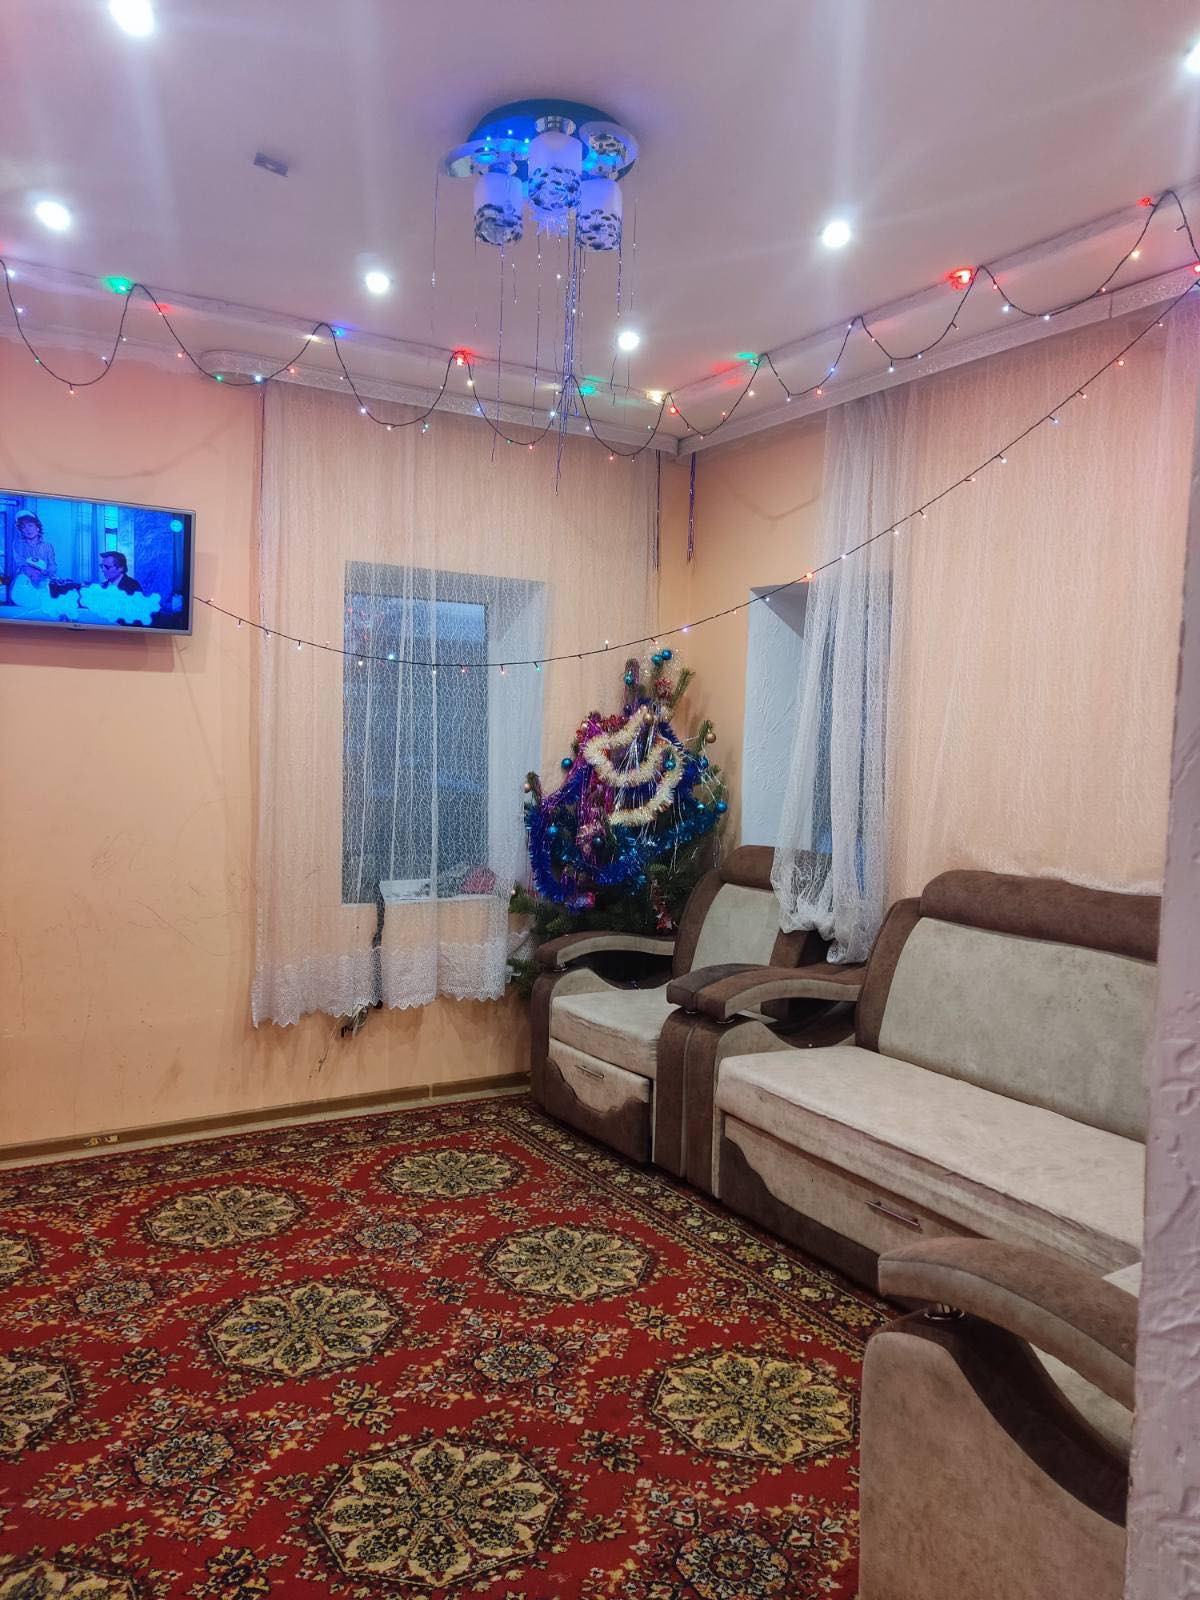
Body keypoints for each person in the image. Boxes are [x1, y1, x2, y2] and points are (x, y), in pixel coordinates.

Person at [10, 512, 57, 608]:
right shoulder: (17, 544)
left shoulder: (47, 546)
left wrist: (48, 571)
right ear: (21, 531)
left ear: (37, 527)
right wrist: (31, 572)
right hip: (24, 581)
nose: (27, 529)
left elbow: (53, 565)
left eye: (30, 526)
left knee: (45, 607)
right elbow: (19, 563)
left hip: (43, 580)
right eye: (23, 527)